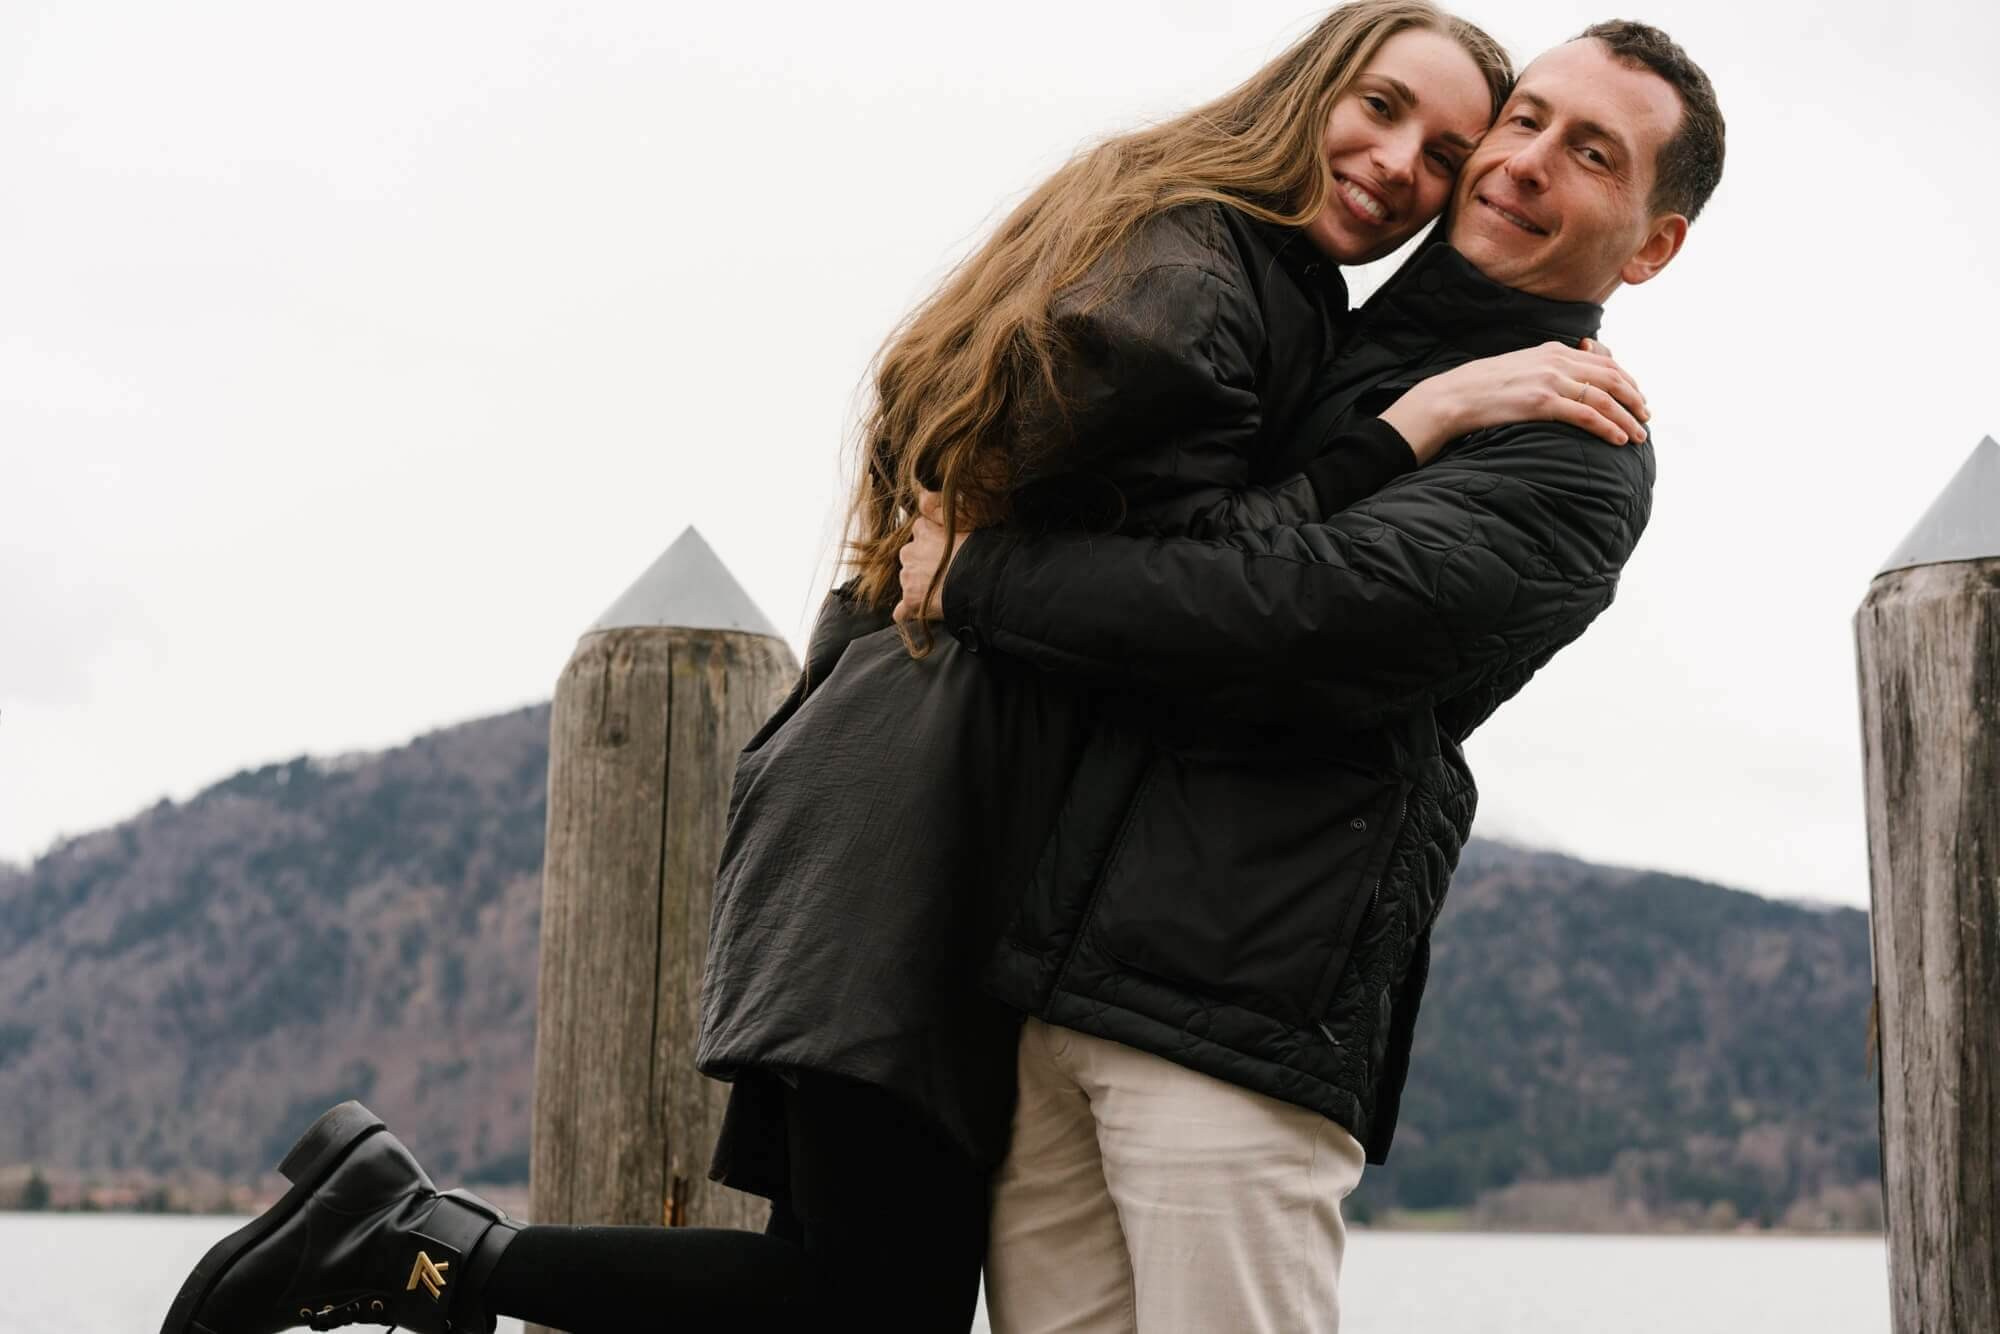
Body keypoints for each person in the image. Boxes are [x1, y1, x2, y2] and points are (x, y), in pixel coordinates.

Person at [158, 6, 1653, 1333]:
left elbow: (1072, 535)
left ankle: (407, 1244)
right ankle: (417, 1247)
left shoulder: (1215, 260)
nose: (1410, 163)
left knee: (848, 1284)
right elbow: (1229, 577)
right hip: (921, 824)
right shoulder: (1209, 282)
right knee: (866, 1296)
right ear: (1302, 85)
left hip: (896, 799)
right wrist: (1410, 424)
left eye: (1445, 146)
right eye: (1383, 107)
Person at [893, 19, 1724, 1333]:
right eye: (1525, 119)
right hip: (1049, 992)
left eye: (1591, 153)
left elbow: (1276, 617)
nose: (1524, 160)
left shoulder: (1572, 447)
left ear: (1653, 240)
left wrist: (976, 579)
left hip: (1229, 1030)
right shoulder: (1301, 328)